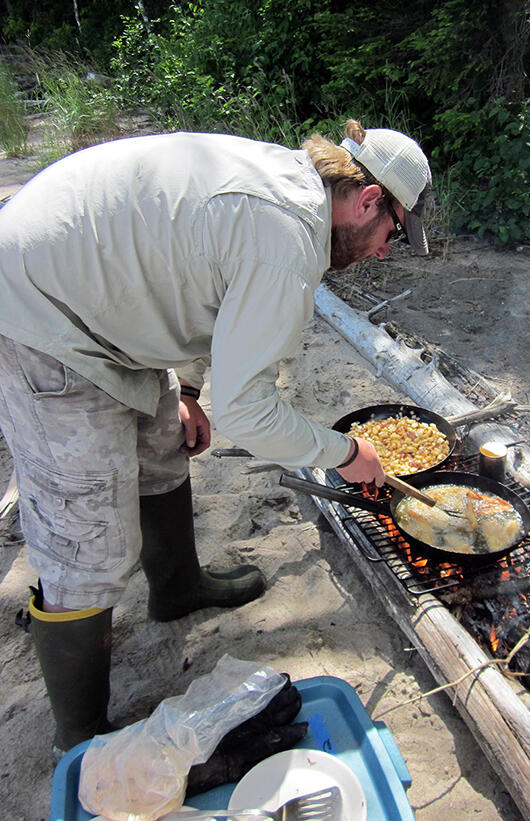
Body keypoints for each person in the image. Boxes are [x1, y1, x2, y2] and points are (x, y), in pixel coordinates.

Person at [0, 118, 432, 757]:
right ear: (368, 200)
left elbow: (207, 288)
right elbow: (248, 409)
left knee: (162, 444)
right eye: (394, 229)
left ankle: (175, 589)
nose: (385, 249)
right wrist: (344, 454)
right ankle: (82, 739)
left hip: (102, 291)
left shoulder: (293, 188)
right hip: (41, 307)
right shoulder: (286, 238)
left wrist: (193, 391)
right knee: (85, 536)